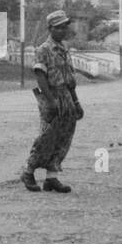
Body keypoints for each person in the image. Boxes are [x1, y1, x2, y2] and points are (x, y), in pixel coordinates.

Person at [20, 10, 83, 193]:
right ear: (50, 29)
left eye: (64, 27)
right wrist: (50, 100)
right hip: (52, 95)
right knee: (47, 137)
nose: (62, 30)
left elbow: (70, 79)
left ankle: (51, 177)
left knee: (64, 137)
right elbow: (41, 77)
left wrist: (76, 102)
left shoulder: (64, 49)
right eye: (58, 27)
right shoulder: (43, 50)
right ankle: (28, 171)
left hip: (66, 96)